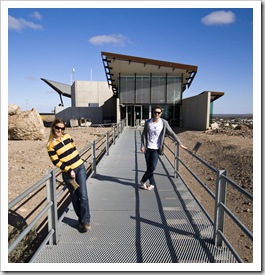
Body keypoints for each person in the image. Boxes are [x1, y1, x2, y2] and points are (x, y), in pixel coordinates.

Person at [47, 118, 91, 232]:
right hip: (68, 173)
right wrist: (68, 169)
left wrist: (78, 163)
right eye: (57, 128)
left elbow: (74, 149)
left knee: (83, 195)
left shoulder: (68, 137)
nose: (60, 130)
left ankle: (86, 222)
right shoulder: (50, 145)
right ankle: (81, 220)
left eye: (62, 128)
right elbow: (56, 162)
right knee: (75, 197)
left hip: (80, 167)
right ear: (53, 127)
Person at [140, 105, 187, 191]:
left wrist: (180, 143)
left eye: (158, 112)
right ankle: (152, 183)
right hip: (147, 148)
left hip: (156, 148)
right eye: (155, 112)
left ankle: (142, 181)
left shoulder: (164, 123)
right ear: (153, 113)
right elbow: (143, 134)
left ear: (161, 113)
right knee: (149, 168)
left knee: (152, 167)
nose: (156, 114)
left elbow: (172, 133)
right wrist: (142, 145)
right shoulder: (148, 122)